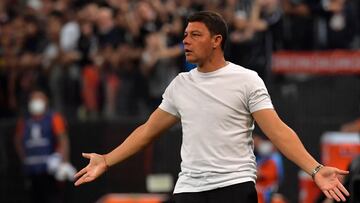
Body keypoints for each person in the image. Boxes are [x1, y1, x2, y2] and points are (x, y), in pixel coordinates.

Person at [74, 11, 350, 203]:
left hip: (234, 187)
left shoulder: (246, 80)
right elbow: (147, 131)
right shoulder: (180, 84)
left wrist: (315, 170)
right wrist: (107, 159)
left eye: (195, 35)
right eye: (185, 35)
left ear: (217, 41)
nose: (185, 40)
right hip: (188, 190)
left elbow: (277, 131)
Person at [14, 90, 75, 203]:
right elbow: (17, 140)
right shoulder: (24, 121)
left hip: (50, 168)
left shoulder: (53, 118)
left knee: (53, 197)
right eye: (33, 98)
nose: (36, 101)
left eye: (39, 98)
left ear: (46, 101)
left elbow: (62, 139)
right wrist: (23, 159)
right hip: (31, 170)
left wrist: (64, 160)